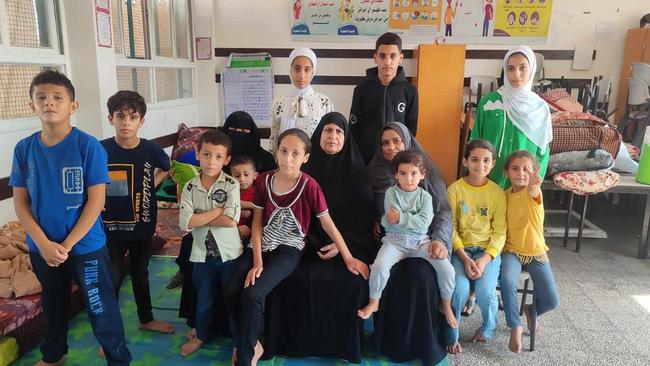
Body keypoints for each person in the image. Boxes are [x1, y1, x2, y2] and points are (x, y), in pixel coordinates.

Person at [9, 70, 131, 366]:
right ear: (31, 105)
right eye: (41, 98)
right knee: (53, 304)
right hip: (43, 249)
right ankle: (54, 356)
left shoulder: (88, 146)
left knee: (100, 307)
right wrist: (44, 244)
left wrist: (66, 244)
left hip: (85, 246)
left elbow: (96, 201)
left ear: (72, 106)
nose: (49, 103)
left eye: (57, 97)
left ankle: (118, 360)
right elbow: (21, 204)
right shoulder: (24, 149)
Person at [225, 128, 369, 366]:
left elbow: (328, 224)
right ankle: (249, 342)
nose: (287, 159)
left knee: (253, 294)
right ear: (276, 151)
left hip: (289, 249)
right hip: (261, 244)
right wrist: (258, 260)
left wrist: (349, 257)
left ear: (305, 157)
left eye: (295, 153)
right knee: (231, 290)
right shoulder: (264, 181)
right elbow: (258, 221)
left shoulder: (310, 186)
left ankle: (246, 355)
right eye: (283, 151)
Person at [263, 112, 377, 363]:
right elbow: (294, 214)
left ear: (346, 137)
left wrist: (340, 246)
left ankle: (342, 346)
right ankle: (285, 342)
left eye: (339, 131)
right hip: (304, 245)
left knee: (352, 282)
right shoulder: (304, 169)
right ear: (318, 135)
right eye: (328, 130)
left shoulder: (358, 173)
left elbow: (364, 221)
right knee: (284, 279)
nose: (333, 136)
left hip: (347, 247)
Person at [367, 122, 451, 365]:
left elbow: (443, 211)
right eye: (385, 142)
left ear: (407, 141)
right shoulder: (371, 171)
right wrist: (376, 219)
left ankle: (428, 342)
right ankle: (386, 341)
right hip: (387, 240)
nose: (391, 146)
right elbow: (364, 206)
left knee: (421, 277)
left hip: (424, 240)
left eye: (397, 141)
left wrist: (440, 239)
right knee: (383, 271)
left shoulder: (426, 171)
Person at [100, 90, 174, 338]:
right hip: (111, 227)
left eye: (132, 117)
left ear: (141, 121)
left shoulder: (151, 150)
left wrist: (149, 186)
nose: (126, 122)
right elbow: (90, 180)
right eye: (120, 116)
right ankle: (110, 333)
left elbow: (167, 168)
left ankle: (146, 319)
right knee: (113, 278)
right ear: (110, 118)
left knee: (141, 275)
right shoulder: (100, 150)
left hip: (142, 224)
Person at [359, 150, 457, 329]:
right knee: (380, 266)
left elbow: (423, 223)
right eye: (403, 173)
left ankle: (446, 304)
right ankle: (374, 300)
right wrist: (403, 219)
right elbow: (390, 219)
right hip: (394, 241)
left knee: (448, 270)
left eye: (413, 173)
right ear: (396, 174)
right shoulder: (391, 193)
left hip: (420, 242)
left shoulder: (425, 197)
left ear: (422, 175)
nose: (408, 178)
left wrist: (400, 218)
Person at [178, 130, 243, 357]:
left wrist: (201, 215)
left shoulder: (231, 185)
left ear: (226, 160)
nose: (211, 161)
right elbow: (185, 223)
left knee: (233, 300)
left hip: (229, 256)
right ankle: (203, 335)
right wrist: (217, 211)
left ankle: (240, 343)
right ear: (197, 154)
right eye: (206, 154)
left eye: (217, 156)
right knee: (203, 300)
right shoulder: (189, 187)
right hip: (201, 256)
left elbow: (232, 221)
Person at [445, 139, 507, 354]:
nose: (480, 165)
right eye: (475, 160)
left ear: (493, 163)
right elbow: (450, 228)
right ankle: (451, 334)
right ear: (465, 161)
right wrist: (464, 257)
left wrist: (484, 259)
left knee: (485, 291)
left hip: (487, 253)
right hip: (461, 251)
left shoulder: (497, 193)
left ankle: (488, 327)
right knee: (459, 289)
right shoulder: (455, 189)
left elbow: (500, 232)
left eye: (486, 161)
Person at [500, 150, 559, 354]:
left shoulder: (534, 193)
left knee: (552, 300)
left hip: (535, 252)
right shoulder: (504, 196)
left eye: (526, 169)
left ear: (534, 173)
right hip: (511, 250)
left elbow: (533, 188)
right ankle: (515, 325)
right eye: (515, 168)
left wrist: (535, 184)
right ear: (506, 172)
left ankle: (531, 310)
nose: (521, 173)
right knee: (507, 280)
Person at [470, 45, 552, 189]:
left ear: (531, 69)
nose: (516, 74)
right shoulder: (489, 102)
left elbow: (543, 152)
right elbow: (476, 142)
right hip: (490, 180)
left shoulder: (540, 108)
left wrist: (533, 184)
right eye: (510, 68)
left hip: (522, 183)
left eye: (522, 68)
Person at [350, 32, 418, 164]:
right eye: (382, 56)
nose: (388, 62)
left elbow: (410, 131)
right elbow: (354, 129)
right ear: (375, 58)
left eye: (393, 56)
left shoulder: (410, 92)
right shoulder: (361, 90)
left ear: (401, 58)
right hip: (367, 161)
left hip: (398, 161)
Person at [269, 48, 333, 151]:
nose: (302, 75)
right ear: (290, 69)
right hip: (286, 162)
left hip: (315, 163)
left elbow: (329, 136)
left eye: (307, 69)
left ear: (313, 71)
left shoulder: (324, 102)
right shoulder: (279, 102)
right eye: (297, 69)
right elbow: (274, 137)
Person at [229, 155, 258, 242]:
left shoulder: (257, 193)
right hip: (228, 226)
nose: (242, 179)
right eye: (237, 176)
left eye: (246, 175)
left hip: (247, 229)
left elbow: (251, 213)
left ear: (255, 175)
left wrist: (238, 204)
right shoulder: (230, 192)